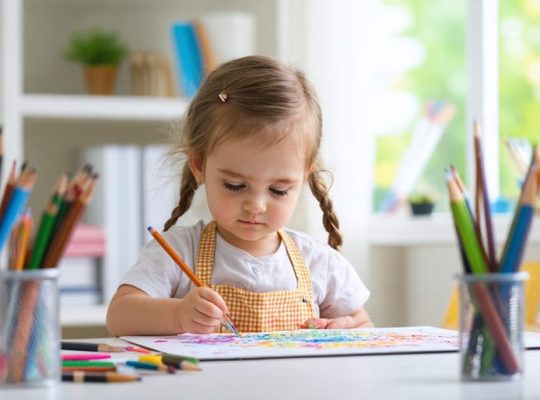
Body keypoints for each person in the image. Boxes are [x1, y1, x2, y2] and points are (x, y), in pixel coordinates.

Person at [106, 55, 372, 336]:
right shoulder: (178, 252)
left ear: (305, 176)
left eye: (278, 190)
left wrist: (343, 328)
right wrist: (179, 314)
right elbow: (119, 316)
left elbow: (366, 328)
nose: (256, 206)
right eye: (234, 185)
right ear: (199, 166)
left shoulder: (320, 262)